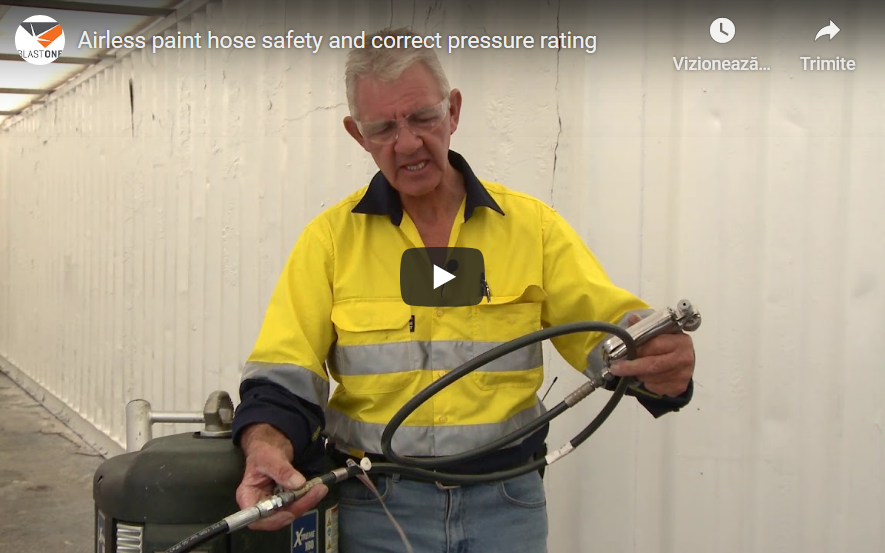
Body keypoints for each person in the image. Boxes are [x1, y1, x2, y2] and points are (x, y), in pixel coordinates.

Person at [231, 27, 696, 552]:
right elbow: (284, 371)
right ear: (357, 135)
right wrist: (266, 444)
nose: (408, 143)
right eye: (383, 128)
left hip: (507, 506)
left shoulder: (533, 229)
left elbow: (609, 333)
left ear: (452, 111)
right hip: (374, 505)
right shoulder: (329, 243)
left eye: (422, 118)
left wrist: (658, 360)